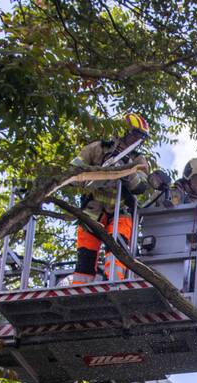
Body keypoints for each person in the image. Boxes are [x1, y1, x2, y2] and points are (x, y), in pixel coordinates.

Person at [68, 113, 157, 284]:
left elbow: (140, 187)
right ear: (124, 131)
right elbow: (72, 172)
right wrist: (96, 175)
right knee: (85, 257)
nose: (137, 140)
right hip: (92, 211)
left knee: (118, 252)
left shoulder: (138, 160)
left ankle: (115, 286)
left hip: (121, 213)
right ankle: (79, 289)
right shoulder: (96, 149)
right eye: (135, 134)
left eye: (141, 137)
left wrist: (127, 173)